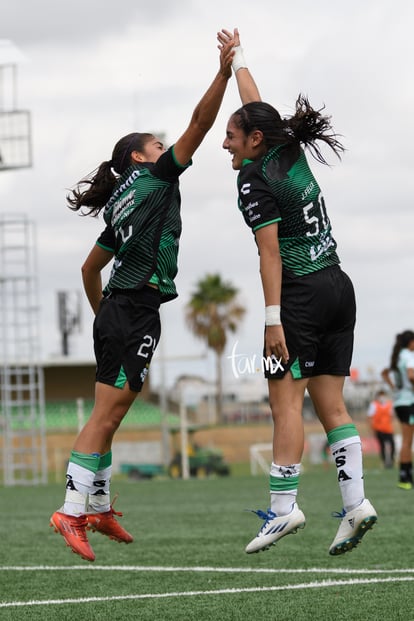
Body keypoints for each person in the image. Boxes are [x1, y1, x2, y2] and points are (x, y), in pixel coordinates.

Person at [49, 39, 235, 562]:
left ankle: (101, 506)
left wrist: (101, 313)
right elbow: (199, 125)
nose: (166, 147)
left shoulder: (119, 203)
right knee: (106, 417)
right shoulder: (154, 179)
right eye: (157, 143)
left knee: (111, 412)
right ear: (139, 156)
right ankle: (71, 509)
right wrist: (221, 75)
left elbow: (90, 268)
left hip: (118, 309)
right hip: (133, 308)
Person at [217, 28, 377, 556]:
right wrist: (237, 58)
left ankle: (283, 510)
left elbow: (269, 255)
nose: (226, 144)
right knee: (331, 406)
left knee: (285, 406)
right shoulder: (284, 143)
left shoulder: (252, 179)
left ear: (253, 141)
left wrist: (272, 321)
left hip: (302, 294)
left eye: (232, 137)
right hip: (339, 284)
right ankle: (355, 504)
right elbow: (254, 105)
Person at [382, 330, 414, 489]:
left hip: (400, 402)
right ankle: (405, 477)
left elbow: (384, 373)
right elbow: (411, 375)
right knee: (408, 441)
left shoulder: (397, 356)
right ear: (410, 342)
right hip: (409, 402)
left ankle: (406, 476)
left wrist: (394, 387)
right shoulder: (408, 355)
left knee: (406, 441)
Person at [366, 390, 395, 468]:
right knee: (382, 445)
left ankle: (391, 460)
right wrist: (371, 428)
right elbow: (369, 417)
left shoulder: (389, 404)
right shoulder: (374, 405)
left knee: (392, 444)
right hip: (379, 429)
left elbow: (391, 416)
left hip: (388, 429)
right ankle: (384, 461)